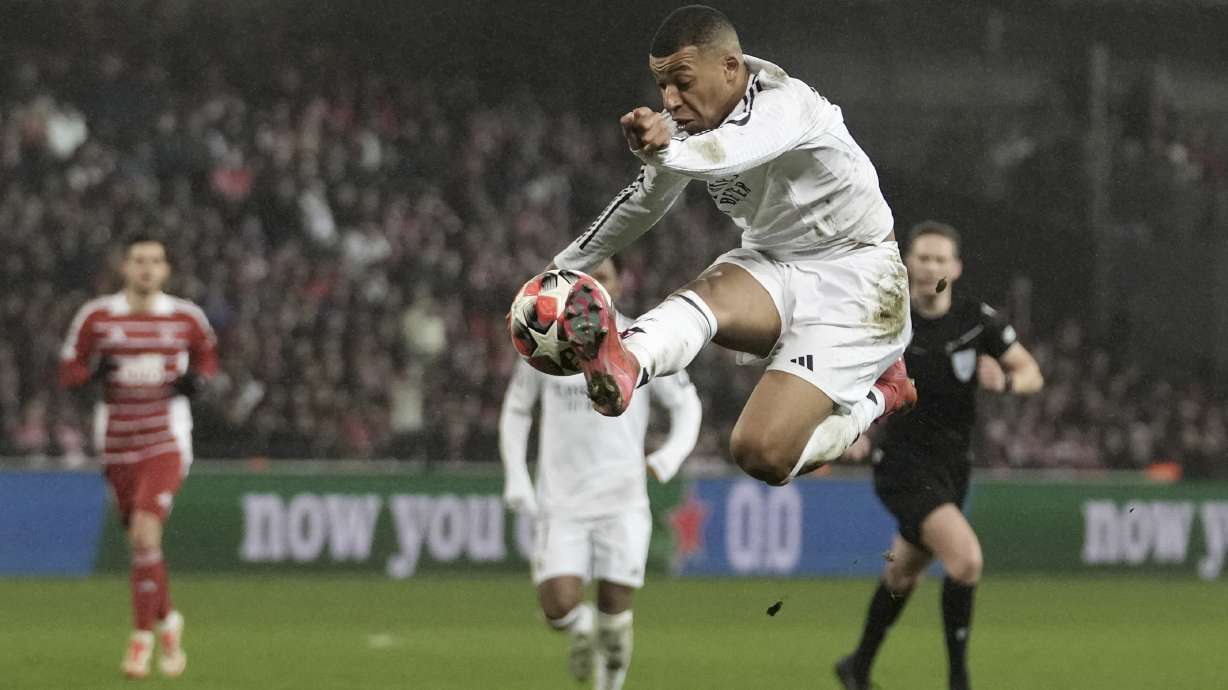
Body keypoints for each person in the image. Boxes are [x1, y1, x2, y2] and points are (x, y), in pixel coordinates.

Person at [550, 5, 915, 487]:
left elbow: (734, 152)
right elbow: (641, 202)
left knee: (759, 452)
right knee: (710, 292)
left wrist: (667, 151)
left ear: (729, 67)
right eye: (662, 86)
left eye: (681, 81)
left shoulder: (787, 103)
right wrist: (558, 271)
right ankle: (625, 362)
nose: (671, 98)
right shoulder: (684, 128)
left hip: (861, 280)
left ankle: (885, 393)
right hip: (772, 262)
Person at [834, 221, 1044, 690]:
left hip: (953, 467)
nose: (930, 267)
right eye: (923, 258)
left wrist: (1008, 382)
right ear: (907, 263)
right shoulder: (886, 318)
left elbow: (1031, 372)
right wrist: (849, 425)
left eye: (940, 259)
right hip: (902, 463)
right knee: (966, 560)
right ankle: (958, 681)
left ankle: (857, 667)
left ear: (956, 267)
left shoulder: (977, 320)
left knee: (903, 573)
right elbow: (841, 374)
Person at [500, 258, 703, 690]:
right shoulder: (546, 346)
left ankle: (608, 685)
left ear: (616, 288)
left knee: (616, 621)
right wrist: (516, 474)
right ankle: (580, 629)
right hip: (562, 501)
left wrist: (667, 458)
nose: (586, 293)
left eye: (601, 280)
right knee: (558, 610)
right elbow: (517, 409)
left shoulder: (640, 340)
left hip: (623, 499)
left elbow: (687, 405)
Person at [59, 234, 218, 679]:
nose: (147, 268)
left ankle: (141, 639)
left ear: (165, 270)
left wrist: (198, 383)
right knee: (142, 547)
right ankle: (168, 620)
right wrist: (91, 374)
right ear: (125, 268)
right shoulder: (97, 317)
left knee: (146, 537)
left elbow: (208, 357)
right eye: (138, 260)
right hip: (117, 442)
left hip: (166, 439)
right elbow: (68, 371)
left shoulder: (186, 317)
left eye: (155, 261)